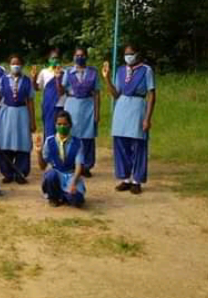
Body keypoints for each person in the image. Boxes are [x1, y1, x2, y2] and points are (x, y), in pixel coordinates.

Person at [102, 44, 157, 195]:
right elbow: (116, 94)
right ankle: (125, 178)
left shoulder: (146, 70)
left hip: (138, 107)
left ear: (137, 54)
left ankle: (137, 180)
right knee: (121, 145)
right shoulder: (120, 71)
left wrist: (147, 118)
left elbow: (152, 95)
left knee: (138, 145)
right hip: (121, 109)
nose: (128, 56)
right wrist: (106, 79)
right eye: (126, 54)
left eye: (131, 53)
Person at [57, 47, 100, 177]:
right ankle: (71, 163)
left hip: (88, 105)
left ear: (86, 57)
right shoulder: (69, 72)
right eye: (77, 55)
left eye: (82, 55)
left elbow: (97, 94)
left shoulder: (93, 72)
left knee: (87, 137)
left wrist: (97, 113)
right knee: (71, 136)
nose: (79, 57)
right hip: (72, 105)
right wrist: (57, 80)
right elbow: (61, 92)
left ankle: (86, 165)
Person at [0, 55, 36, 184]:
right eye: (13, 63)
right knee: (5, 142)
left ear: (22, 65)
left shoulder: (27, 81)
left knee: (22, 142)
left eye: (18, 63)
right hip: (7, 112)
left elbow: (30, 101)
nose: (15, 66)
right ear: (9, 65)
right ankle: (7, 173)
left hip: (22, 113)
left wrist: (32, 121)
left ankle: (20, 173)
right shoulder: (3, 80)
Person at [34, 110, 85, 207]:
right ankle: (53, 197)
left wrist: (73, 183)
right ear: (55, 125)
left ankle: (64, 196)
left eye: (65, 124)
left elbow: (79, 167)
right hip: (57, 173)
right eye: (59, 124)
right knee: (50, 175)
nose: (62, 127)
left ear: (70, 125)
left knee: (77, 200)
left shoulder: (78, 143)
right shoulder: (50, 141)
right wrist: (39, 153)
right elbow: (42, 166)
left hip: (71, 175)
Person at [33, 48, 66, 141]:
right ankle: (47, 152)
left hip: (61, 105)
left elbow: (64, 91)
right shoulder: (44, 72)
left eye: (56, 58)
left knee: (61, 131)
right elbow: (37, 88)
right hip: (49, 106)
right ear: (49, 59)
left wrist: (58, 78)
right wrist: (33, 78)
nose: (54, 60)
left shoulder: (65, 72)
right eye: (52, 58)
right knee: (49, 131)